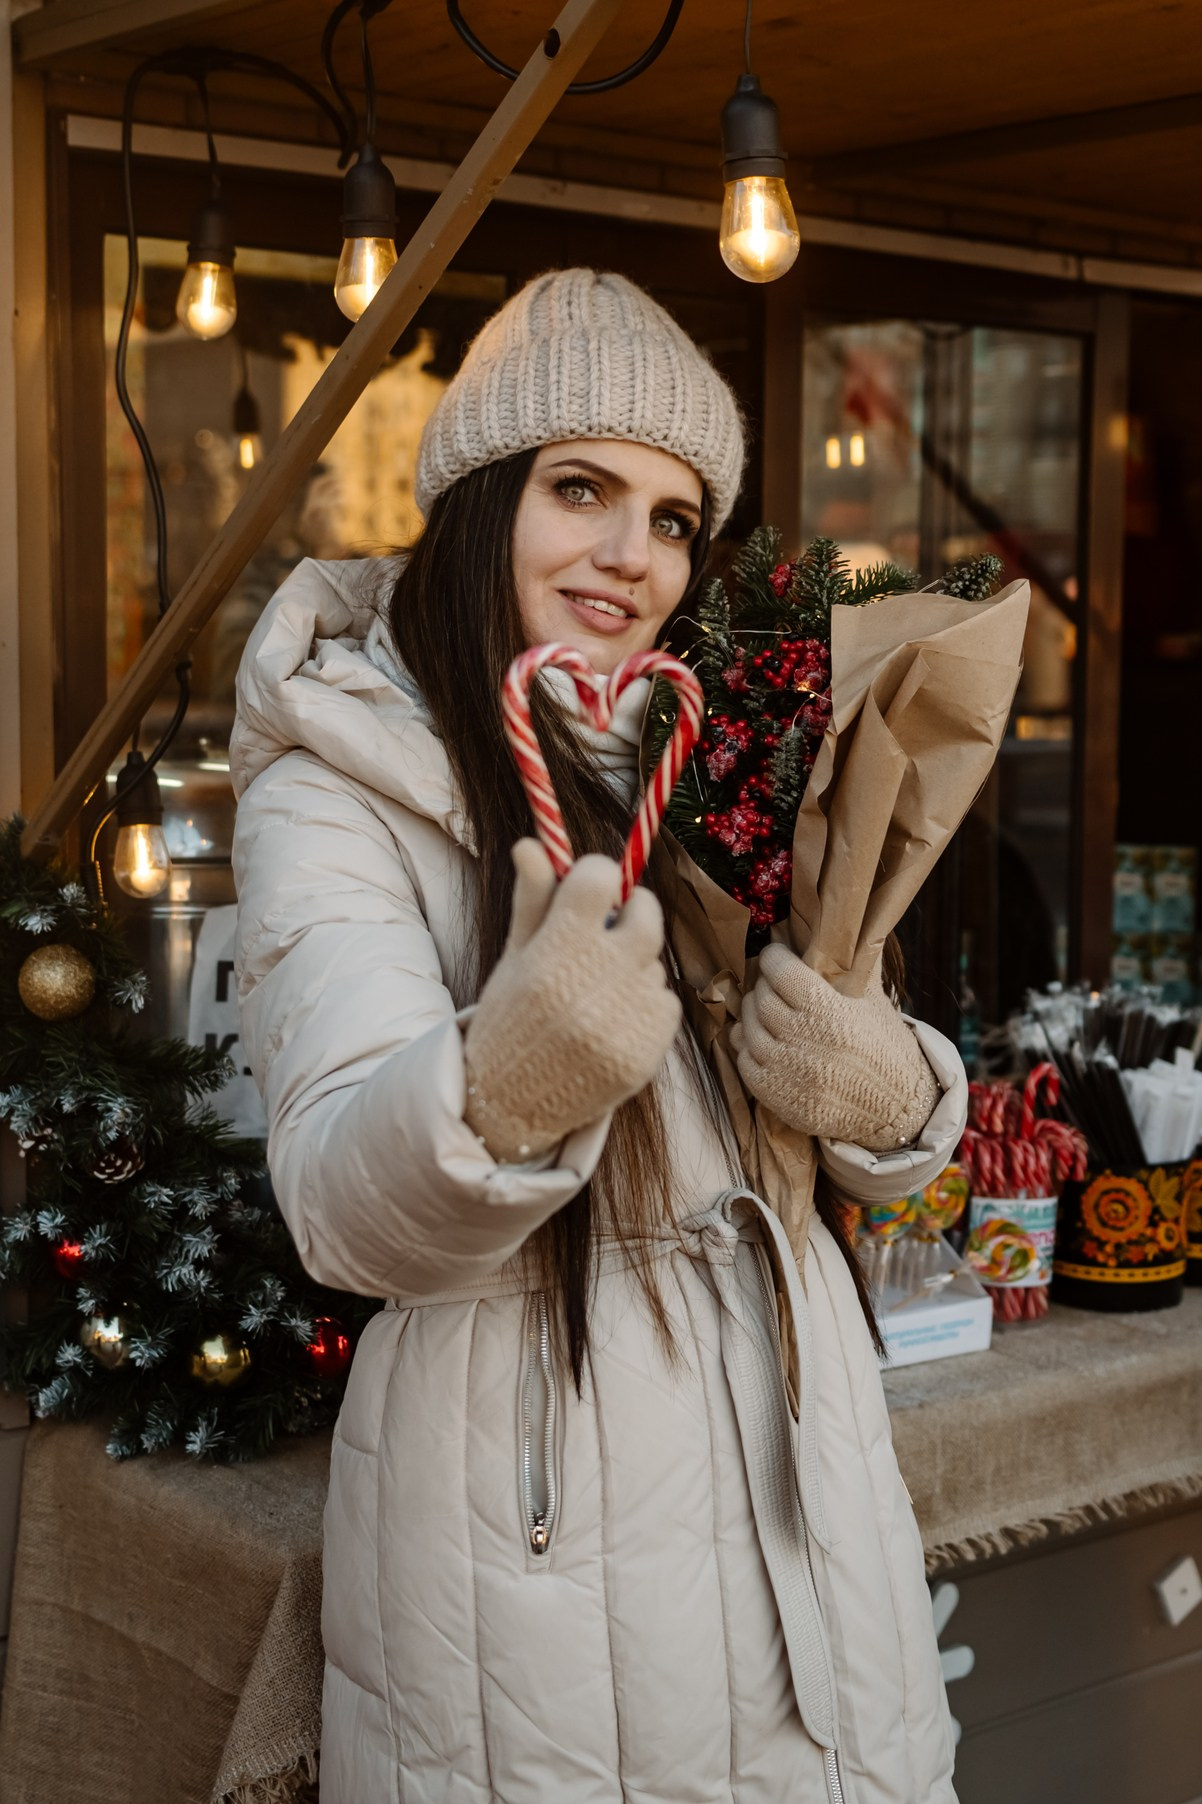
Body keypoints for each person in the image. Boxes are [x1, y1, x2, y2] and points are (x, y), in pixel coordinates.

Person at [232, 269, 966, 1804]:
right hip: (534, 1561)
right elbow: (338, 1202)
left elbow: (872, 1146)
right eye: (581, 488)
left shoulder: (713, 748)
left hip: (806, 1508)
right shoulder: (333, 782)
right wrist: (508, 1080)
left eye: (672, 515)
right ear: (484, 495)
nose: (628, 556)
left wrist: (888, 1091)